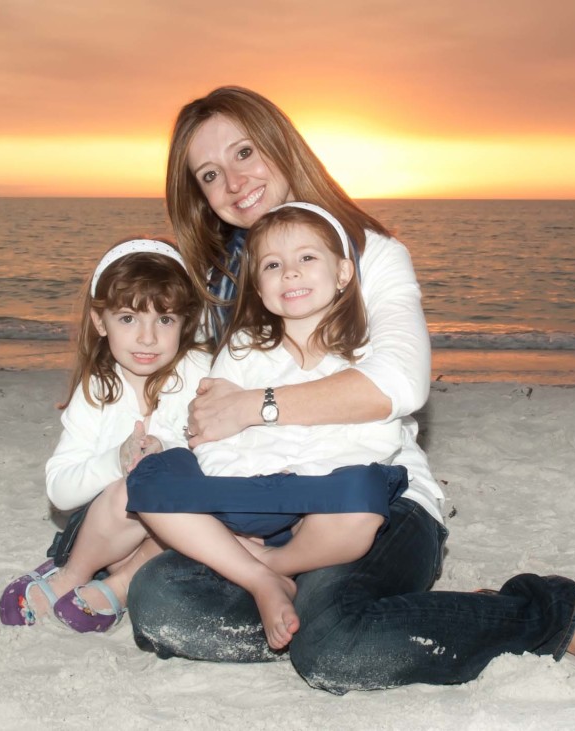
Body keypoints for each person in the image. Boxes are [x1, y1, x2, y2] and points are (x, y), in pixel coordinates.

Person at [122, 86, 575, 693]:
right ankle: (391, 615)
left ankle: (553, 613)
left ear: (280, 144)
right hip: (259, 509)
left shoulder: (373, 257)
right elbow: (192, 401)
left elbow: (399, 383)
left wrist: (255, 407)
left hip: (372, 499)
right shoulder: (225, 284)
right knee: (160, 602)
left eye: (245, 152)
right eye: (211, 174)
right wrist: (149, 449)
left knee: (335, 651)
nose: (235, 181)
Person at [125, 202, 409, 650]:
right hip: (245, 486)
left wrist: (306, 464)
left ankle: (274, 563)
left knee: (366, 503)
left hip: (323, 493)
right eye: (273, 265)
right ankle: (258, 577)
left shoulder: (366, 352)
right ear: (259, 287)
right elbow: (208, 426)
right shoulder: (243, 348)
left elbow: (380, 435)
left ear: (343, 274)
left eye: (307, 258)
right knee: (151, 480)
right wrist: (236, 473)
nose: (290, 274)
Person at [0, 239, 210, 632]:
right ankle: (74, 572)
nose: (147, 338)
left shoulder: (201, 372)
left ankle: (122, 584)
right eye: (128, 318)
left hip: (176, 536)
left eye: (164, 320)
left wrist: (173, 451)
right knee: (134, 486)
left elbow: (227, 458)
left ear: (186, 321)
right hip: (107, 526)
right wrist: (117, 459)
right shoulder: (98, 386)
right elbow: (60, 491)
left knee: (186, 498)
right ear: (100, 321)